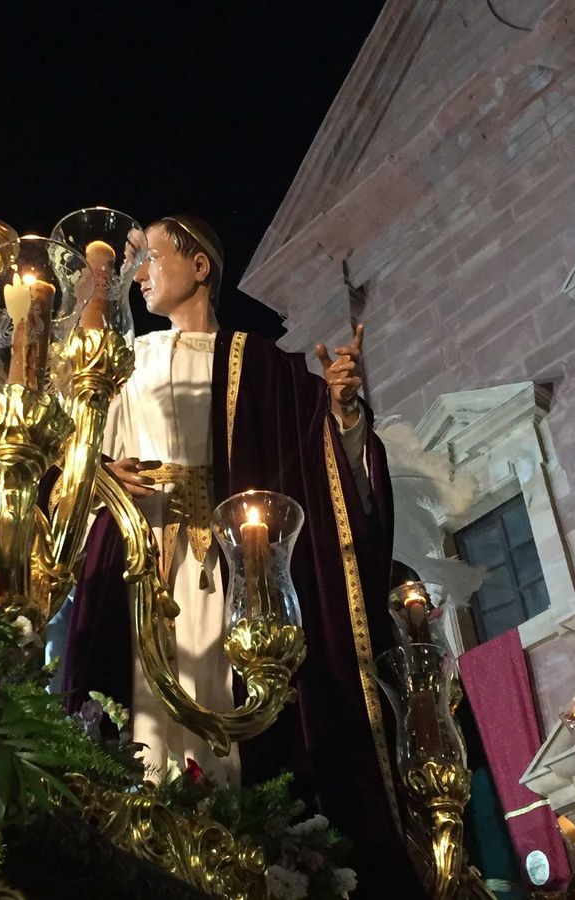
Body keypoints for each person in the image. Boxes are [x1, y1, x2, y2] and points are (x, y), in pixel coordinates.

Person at [61, 214, 420, 894]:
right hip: (144, 570)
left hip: (232, 577)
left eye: (153, 257)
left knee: (229, 726)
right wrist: (102, 470)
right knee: (140, 724)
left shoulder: (267, 370)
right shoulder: (125, 362)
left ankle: (236, 853)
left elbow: (330, 479)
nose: (140, 274)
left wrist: (344, 413)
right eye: (135, 263)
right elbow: (78, 456)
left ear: (200, 266)